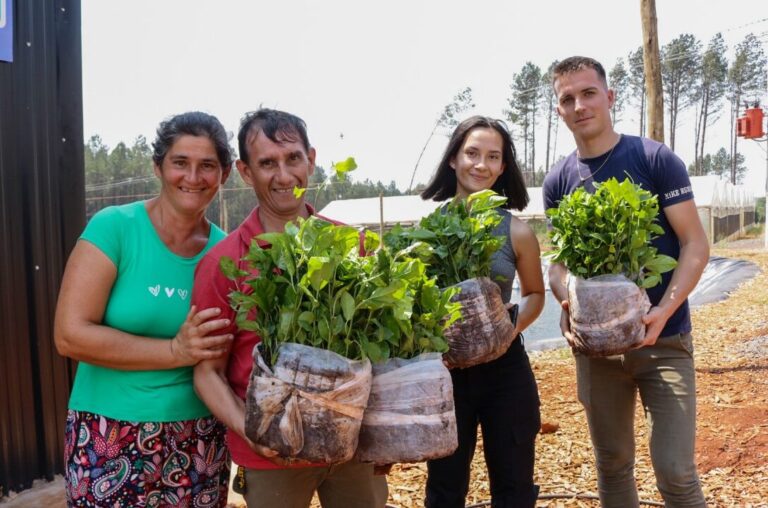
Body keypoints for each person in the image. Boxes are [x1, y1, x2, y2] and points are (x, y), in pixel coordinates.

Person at [191, 108, 389, 508]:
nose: (284, 176)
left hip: (351, 446)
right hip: (270, 458)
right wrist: (253, 434)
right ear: (246, 172)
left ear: (311, 159)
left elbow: (381, 352)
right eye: (267, 163)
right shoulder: (223, 262)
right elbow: (207, 372)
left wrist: (383, 434)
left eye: (293, 159)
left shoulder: (352, 246)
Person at [543, 56, 710, 507]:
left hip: (664, 341)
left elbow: (695, 244)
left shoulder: (653, 158)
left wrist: (663, 313)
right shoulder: (559, 179)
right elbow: (559, 264)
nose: (579, 105)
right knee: (613, 465)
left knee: (676, 471)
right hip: (597, 352)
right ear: (559, 110)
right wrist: (565, 303)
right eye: (567, 98)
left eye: (588, 92)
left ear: (610, 96)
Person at [54, 111, 235, 507]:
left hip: (199, 437)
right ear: (158, 167)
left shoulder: (227, 254)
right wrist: (175, 352)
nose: (193, 177)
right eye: (180, 163)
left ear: (224, 175)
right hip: (108, 433)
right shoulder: (114, 228)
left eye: (207, 165)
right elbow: (69, 334)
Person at [421, 116, 545, 507]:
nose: (481, 164)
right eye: (472, 153)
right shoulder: (430, 229)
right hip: (448, 375)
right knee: (445, 489)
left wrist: (509, 328)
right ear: (454, 159)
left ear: (503, 167)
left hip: (506, 372)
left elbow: (535, 293)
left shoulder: (516, 232)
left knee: (514, 489)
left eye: (493, 157)